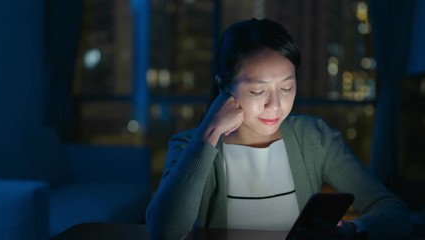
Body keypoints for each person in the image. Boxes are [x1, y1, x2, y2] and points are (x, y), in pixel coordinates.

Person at [145, 18, 413, 240]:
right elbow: (164, 232)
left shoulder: (315, 138)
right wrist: (209, 132)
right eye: (258, 90)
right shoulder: (189, 145)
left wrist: (353, 231)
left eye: (287, 87)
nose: (275, 105)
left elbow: (394, 212)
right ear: (224, 86)